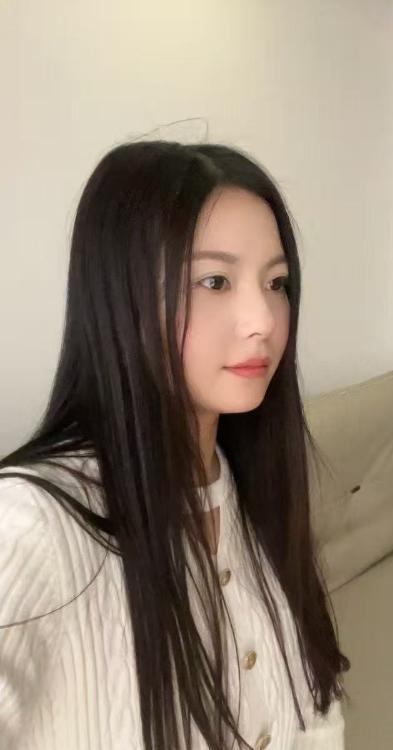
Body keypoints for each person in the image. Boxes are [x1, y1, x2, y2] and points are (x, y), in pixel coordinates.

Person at [0, 140, 350, 750]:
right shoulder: (30, 523)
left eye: (276, 283)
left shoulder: (255, 490)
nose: (264, 320)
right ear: (123, 298)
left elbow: (316, 710)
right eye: (215, 280)